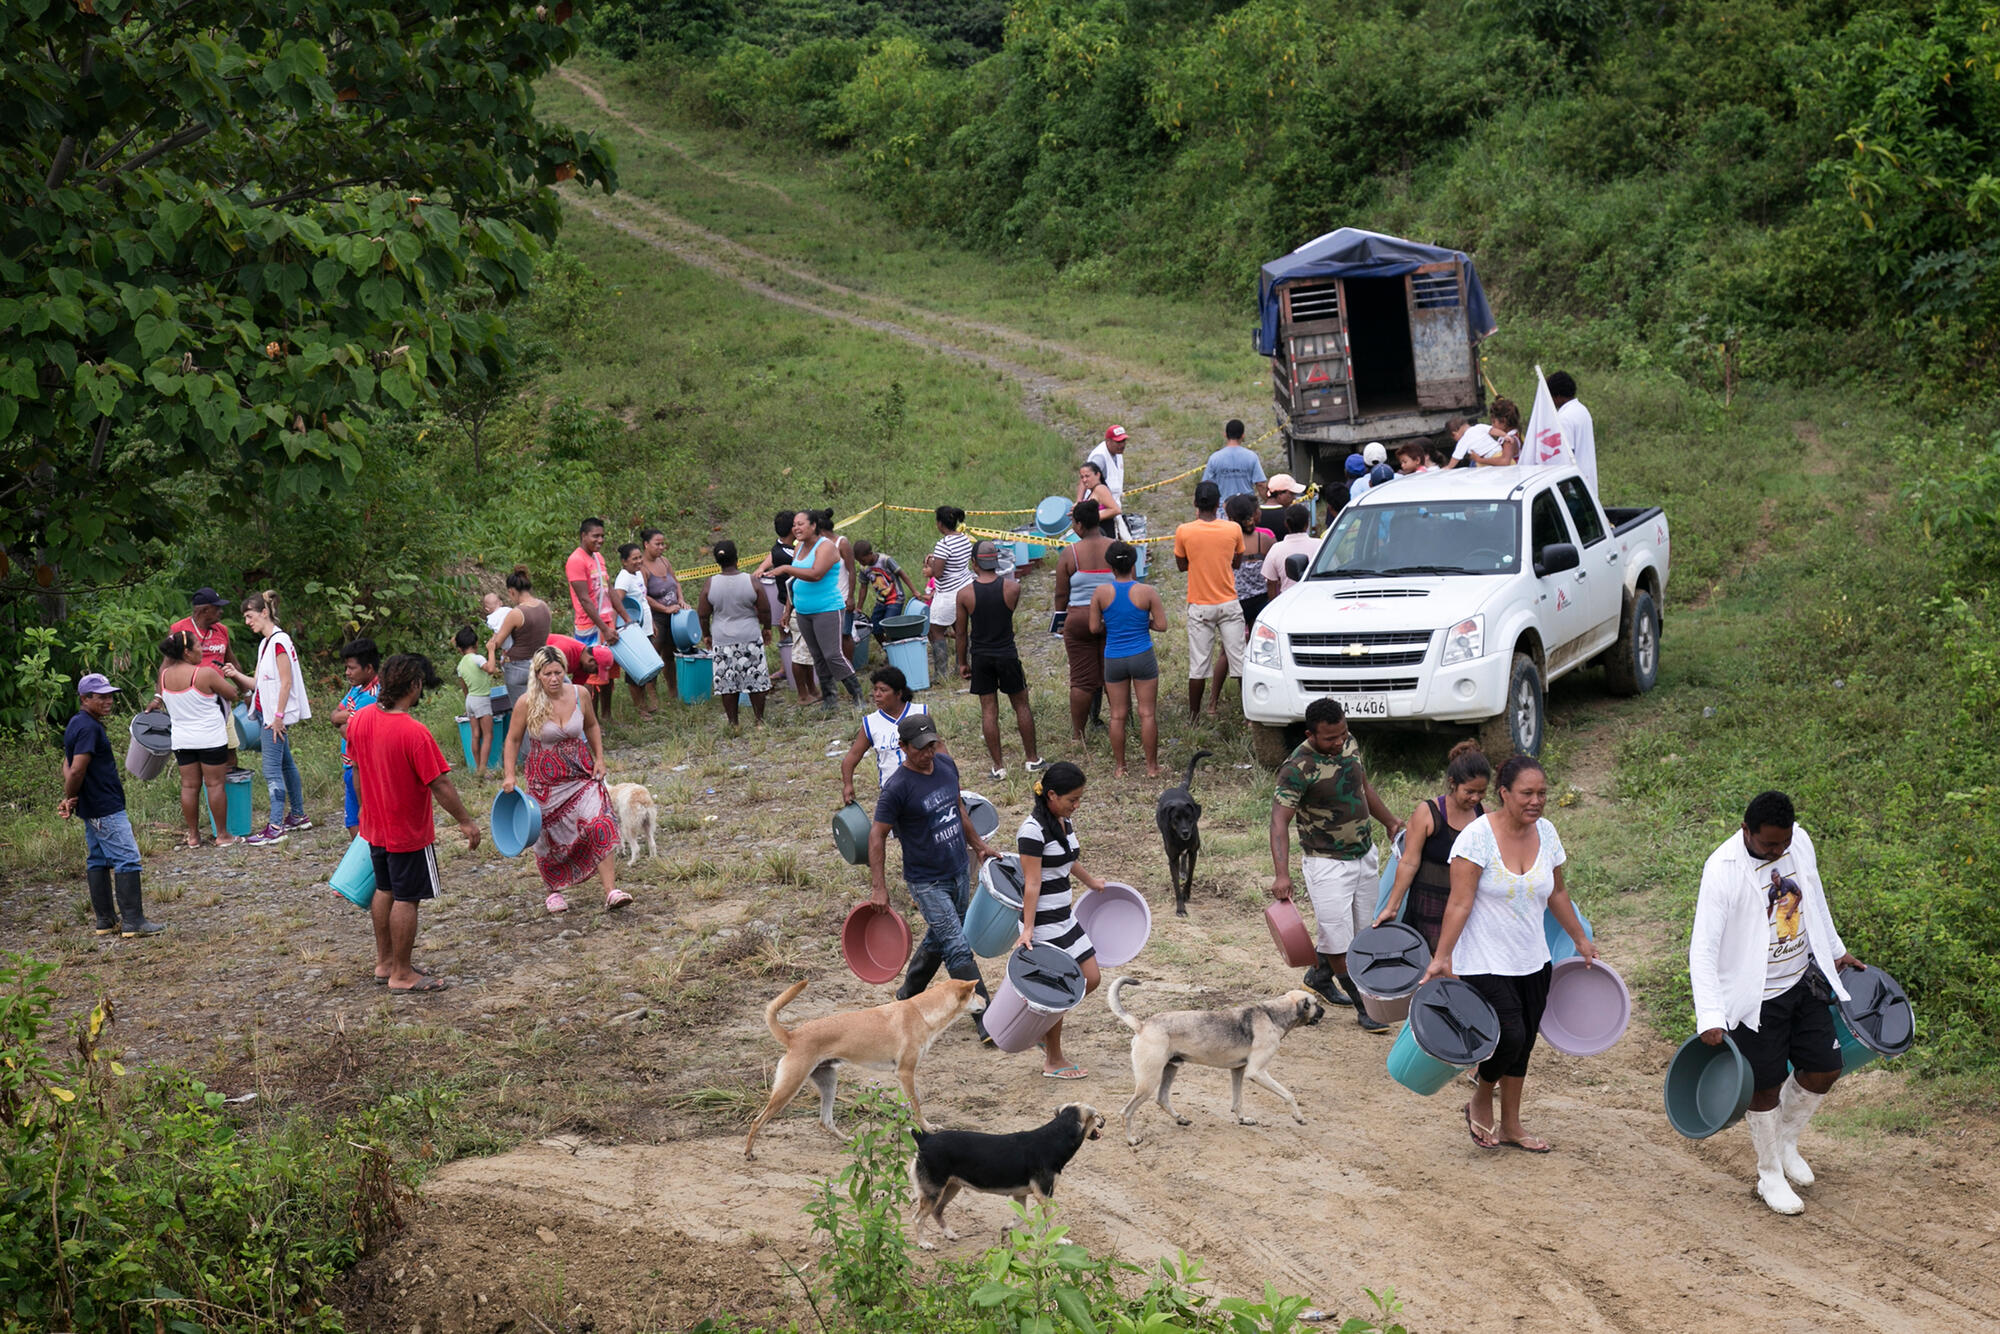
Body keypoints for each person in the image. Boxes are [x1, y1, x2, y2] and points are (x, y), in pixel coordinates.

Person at [1690, 791, 1866, 1215]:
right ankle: (1769, 1174)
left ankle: (1785, 1142)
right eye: (1769, 844)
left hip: (1801, 980)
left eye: (1782, 843)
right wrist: (1710, 1015)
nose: (1777, 851)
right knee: (1764, 1085)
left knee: (1825, 1067)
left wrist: (1836, 950)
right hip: (1755, 997)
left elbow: (1815, 898)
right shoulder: (1722, 870)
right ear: (1746, 830)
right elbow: (1703, 949)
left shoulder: (1797, 843)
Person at [1419, 754, 1596, 1152]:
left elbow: (1558, 893)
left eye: (1542, 793)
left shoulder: (1547, 833)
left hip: (1532, 958)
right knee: (1509, 1035)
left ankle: (1513, 1125)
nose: (1536, 801)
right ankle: (1482, 1095)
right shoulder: (1476, 838)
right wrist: (1443, 956)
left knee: (1526, 1041)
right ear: (1503, 793)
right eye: (1526, 793)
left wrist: (1580, 938)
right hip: (1482, 958)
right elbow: (1459, 904)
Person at [1270, 698, 1406, 1030]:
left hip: (1364, 854)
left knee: (1363, 934)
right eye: (1330, 738)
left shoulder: (1349, 745)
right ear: (1310, 734)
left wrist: (1390, 821)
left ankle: (1319, 976)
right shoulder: (1296, 768)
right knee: (1338, 940)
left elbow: (1363, 786)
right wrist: (1281, 874)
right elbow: (1278, 823)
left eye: (1342, 734)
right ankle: (1366, 1007)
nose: (1338, 743)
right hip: (1326, 864)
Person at [348, 653, 480, 992]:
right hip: (407, 830)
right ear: (416, 685)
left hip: (375, 826)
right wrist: (465, 821)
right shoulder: (414, 732)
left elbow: (357, 771)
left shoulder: (359, 720)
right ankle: (402, 974)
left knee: (385, 889)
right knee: (407, 898)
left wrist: (365, 812)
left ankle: (386, 962)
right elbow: (440, 784)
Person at [868, 712, 999, 1038]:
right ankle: (988, 1021)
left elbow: (959, 809)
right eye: (920, 748)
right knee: (957, 944)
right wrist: (878, 888)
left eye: (932, 745)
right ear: (903, 747)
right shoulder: (897, 788)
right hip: (926, 880)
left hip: (956, 868)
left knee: (941, 935)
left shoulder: (945, 766)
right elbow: (876, 836)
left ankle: (907, 995)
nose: (928, 753)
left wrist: (979, 845)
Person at [501, 644, 630, 915]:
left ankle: (611, 891)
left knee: (601, 821)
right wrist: (509, 775)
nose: (553, 678)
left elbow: (592, 725)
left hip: (580, 772)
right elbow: (512, 740)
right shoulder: (527, 702)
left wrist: (599, 757)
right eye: (547, 674)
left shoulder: (580, 694)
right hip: (544, 781)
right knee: (547, 836)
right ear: (537, 674)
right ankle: (553, 891)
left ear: (565, 671)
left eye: (558, 672)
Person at [1014, 763, 1105, 1078]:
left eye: (1079, 799)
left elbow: (1068, 859)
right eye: (1072, 799)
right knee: (1062, 989)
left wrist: (1091, 882)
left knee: (1090, 978)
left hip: (1065, 917)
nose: (1076, 805)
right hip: (1043, 923)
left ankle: (1040, 1028)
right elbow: (1032, 883)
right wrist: (1028, 930)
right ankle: (1053, 1060)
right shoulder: (1031, 830)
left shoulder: (1062, 821)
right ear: (1051, 795)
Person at [60, 674, 162, 937]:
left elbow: (68, 763)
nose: (108, 701)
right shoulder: (89, 728)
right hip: (104, 805)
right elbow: (77, 769)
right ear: (85, 699)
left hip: (90, 804)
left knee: (98, 859)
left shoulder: (76, 723)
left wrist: (70, 797)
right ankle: (133, 922)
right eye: (101, 696)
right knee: (127, 858)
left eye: (109, 695)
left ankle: (105, 921)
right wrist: (69, 796)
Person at [1376, 740, 1491, 953]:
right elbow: (1409, 862)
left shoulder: (1484, 815)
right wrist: (1392, 907)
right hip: (1428, 906)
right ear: (1452, 782)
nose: (1475, 798)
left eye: (1481, 792)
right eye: (1469, 791)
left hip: (1467, 907)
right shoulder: (1428, 812)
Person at [220, 589, 310, 845]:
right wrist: (234, 674)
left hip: (273, 717)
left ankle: (275, 826)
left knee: (271, 770)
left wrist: (279, 716)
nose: (247, 622)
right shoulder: (265, 643)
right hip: (264, 713)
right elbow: (257, 683)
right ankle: (298, 816)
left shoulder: (280, 642)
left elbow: (286, 683)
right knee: (286, 764)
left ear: (264, 612)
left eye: (250, 616)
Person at [956, 540, 1044, 780]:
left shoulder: (964, 594)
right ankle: (1032, 759)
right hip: (1007, 653)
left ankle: (998, 766)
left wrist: (962, 662)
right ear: (996, 562)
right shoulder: (1012, 588)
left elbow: (962, 633)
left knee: (989, 710)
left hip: (981, 656)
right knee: (1021, 705)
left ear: (973, 564)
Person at [768, 508, 863, 712]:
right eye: (794, 524)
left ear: (813, 526)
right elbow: (794, 582)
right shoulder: (799, 546)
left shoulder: (826, 547)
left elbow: (815, 574)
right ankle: (830, 699)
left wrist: (785, 568)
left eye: (801, 524)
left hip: (827, 608)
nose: (796, 528)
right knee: (817, 655)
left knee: (832, 654)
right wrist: (787, 610)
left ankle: (857, 695)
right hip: (803, 610)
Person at [155, 629, 239, 848]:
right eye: (198, 647)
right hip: (210, 737)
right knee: (215, 785)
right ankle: (222, 835)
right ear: (186, 652)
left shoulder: (163, 676)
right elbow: (232, 693)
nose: (202, 650)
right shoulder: (204, 674)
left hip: (182, 740)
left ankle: (193, 836)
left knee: (189, 787)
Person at [1089, 542, 1166, 778]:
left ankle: (1120, 767)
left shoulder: (1101, 593)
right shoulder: (1147, 592)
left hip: (1114, 657)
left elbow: (1093, 628)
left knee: (1117, 715)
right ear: (1134, 564)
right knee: (1147, 713)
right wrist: (1145, 623)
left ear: (1110, 566)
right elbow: (1162, 625)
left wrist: (1111, 624)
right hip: (1142, 654)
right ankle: (1152, 767)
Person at [1173, 480, 1246, 720]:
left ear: (1195, 503)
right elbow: (1237, 563)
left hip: (1200, 605)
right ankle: (1250, 715)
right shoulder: (1233, 529)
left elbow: (1182, 565)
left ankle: (1194, 717)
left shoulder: (1184, 531)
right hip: (1228, 603)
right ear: (1218, 505)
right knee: (1240, 664)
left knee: (1198, 666)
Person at [1052, 499, 1115, 744]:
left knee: (1081, 679)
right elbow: (1130, 583)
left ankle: (1078, 735)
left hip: (1078, 618)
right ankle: (1121, 722)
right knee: (1114, 676)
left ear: (1078, 525)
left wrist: (1060, 618)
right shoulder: (1115, 547)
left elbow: (1061, 593)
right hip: (1112, 617)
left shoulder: (1071, 553)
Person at [699, 539, 774, 726]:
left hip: (722, 639)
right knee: (755, 679)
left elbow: (703, 613)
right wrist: (766, 628)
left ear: (717, 562)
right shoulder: (751, 581)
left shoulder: (710, 583)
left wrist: (706, 634)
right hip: (749, 636)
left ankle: (733, 723)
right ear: (737, 558)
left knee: (727, 683)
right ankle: (759, 721)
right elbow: (764, 609)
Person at [841, 666, 940, 806]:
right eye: (875, 689)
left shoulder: (920, 712)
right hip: (893, 793)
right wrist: (848, 784)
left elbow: (939, 748)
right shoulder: (870, 722)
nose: (877, 694)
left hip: (926, 786)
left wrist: (949, 778)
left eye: (883, 690)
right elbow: (852, 756)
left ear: (898, 693)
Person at [168, 586, 241, 749]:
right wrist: (159, 697)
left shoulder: (222, 630)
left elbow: (233, 663)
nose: (221, 612)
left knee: (229, 750)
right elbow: (166, 667)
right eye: (217, 608)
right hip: (192, 702)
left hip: (221, 699)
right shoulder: (179, 630)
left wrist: (248, 692)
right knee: (203, 751)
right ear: (205, 610)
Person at [331, 638, 381, 833]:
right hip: (350, 766)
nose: (347, 673)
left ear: (368, 668)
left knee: (366, 821)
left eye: (352, 668)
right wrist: (345, 718)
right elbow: (335, 715)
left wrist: (342, 720)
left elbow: (352, 732)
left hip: (365, 767)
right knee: (352, 821)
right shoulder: (357, 688)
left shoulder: (373, 695)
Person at [488, 567, 552, 709]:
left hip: (518, 668)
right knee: (544, 708)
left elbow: (497, 642)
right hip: (541, 661)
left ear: (512, 591)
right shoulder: (544, 606)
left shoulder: (517, 613)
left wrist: (491, 643)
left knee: (523, 713)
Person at [636, 527, 686, 701]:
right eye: (657, 544)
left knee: (670, 655)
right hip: (656, 617)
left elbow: (676, 583)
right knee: (653, 656)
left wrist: (681, 600)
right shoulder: (641, 567)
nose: (661, 547)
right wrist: (664, 609)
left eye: (663, 544)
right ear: (646, 544)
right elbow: (643, 596)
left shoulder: (664, 561)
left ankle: (673, 691)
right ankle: (652, 696)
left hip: (674, 617)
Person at [925, 506, 975, 676]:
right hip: (965, 587)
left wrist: (929, 569)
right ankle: (963, 664)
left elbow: (938, 574)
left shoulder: (943, 544)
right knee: (960, 629)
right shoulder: (964, 538)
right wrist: (934, 559)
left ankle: (941, 673)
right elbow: (955, 562)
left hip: (948, 593)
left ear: (940, 524)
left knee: (935, 630)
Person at [613, 542, 661, 719]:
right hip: (633, 631)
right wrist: (617, 626)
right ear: (624, 562)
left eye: (640, 557)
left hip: (646, 627)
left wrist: (652, 624)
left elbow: (642, 600)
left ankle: (646, 703)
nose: (639, 561)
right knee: (635, 670)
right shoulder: (624, 578)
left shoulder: (638, 574)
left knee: (647, 666)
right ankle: (639, 708)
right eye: (634, 558)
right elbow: (616, 602)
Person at [565, 517, 623, 649]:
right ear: (583, 535)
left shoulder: (598, 557)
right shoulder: (576, 560)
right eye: (595, 536)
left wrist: (627, 619)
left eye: (602, 536)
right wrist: (604, 629)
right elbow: (584, 599)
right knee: (593, 666)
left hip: (607, 622)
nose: (600, 540)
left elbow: (609, 589)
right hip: (589, 625)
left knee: (610, 665)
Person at [1227, 493, 1275, 628]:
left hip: (1236, 602)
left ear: (1231, 519)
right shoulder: (1265, 539)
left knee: (1231, 646)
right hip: (1261, 600)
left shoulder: (1228, 542)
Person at [1548, 372, 1598, 494]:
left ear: (1558, 396)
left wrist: (1563, 491)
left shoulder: (1563, 418)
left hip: (1573, 490)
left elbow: (1566, 457)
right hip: (1587, 483)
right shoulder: (1582, 410)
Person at [454, 626, 495, 772]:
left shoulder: (460, 665)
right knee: (488, 734)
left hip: (470, 700)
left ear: (459, 648)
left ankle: (477, 768)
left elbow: (464, 688)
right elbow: (490, 669)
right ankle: (483, 769)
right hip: (481, 699)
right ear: (476, 644)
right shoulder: (478, 658)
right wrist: (491, 650)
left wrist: (467, 705)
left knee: (475, 735)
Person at [1203, 419, 1268, 505]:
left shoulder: (1215, 458)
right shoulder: (1251, 456)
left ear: (1225, 435)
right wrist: (1267, 502)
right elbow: (1260, 484)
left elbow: (1206, 485)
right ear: (1243, 435)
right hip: (1247, 507)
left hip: (1224, 508)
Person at [1261, 504, 1318, 595]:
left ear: (1286, 524)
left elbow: (1271, 582)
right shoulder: (1320, 545)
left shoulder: (1276, 549)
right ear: (1307, 524)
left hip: (1287, 599)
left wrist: (1274, 604)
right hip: (1316, 596)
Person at [1088, 426, 1130, 539]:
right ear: (1108, 441)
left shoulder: (1117, 453)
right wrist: (1078, 500)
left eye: (1124, 441)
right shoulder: (1099, 458)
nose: (1122, 444)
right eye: (1118, 442)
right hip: (1100, 509)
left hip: (1112, 508)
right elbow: (1085, 477)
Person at [1447, 415, 1514, 468]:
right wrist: (1505, 435)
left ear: (1455, 433)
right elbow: (1493, 430)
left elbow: (1456, 457)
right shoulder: (1479, 426)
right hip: (1499, 453)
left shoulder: (1463, 440)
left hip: (1488, 460)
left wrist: (1448, 467)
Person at [1076, 460, 1122, 532]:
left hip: (1104, 535)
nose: (1084, 480)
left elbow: (1116, 510)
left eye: (1087, 476)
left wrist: (1090, 518)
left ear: (1097, 475)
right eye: (1082, 477)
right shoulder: (1093, 491)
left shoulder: (1100, 489)